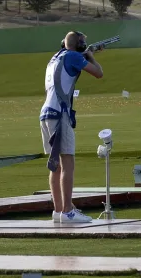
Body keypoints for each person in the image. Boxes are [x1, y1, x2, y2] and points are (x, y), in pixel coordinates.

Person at [40, 31, 103, 223]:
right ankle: (68, 212)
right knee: (68, 163)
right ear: (80, 46)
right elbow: (98, 73)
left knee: (55, 165)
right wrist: (90, 56)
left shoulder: (54, 59)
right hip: (60, 113)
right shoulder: (75, 56)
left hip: (46, 113)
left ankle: (58, 211)